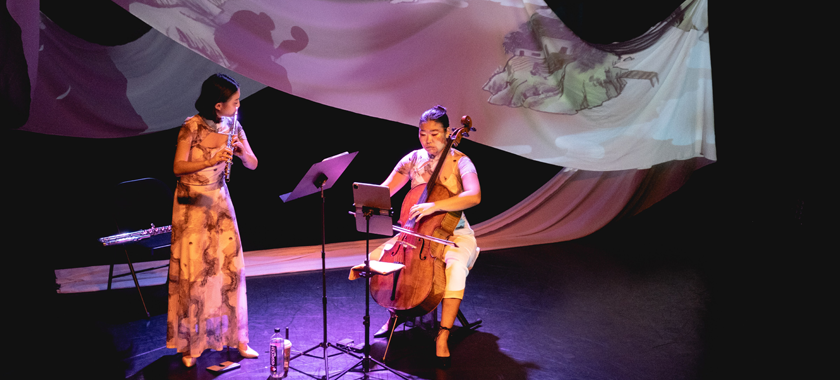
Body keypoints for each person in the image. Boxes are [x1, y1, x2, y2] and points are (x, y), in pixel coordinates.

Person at [353, 105, 481, 369]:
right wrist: (365, 200)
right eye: (423, 134)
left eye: (435, 133)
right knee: (374, 260)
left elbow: (474, 195)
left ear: (448, 133)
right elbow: (385, 190)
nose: (428, 140)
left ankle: (443, 333)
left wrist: (435, 206)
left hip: (454, 234)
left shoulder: (461, 161)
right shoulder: (412, 160)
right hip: (413, 234)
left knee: (455, 269)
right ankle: (395, 313)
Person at [167, 73, 259, 368]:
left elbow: (254, 164)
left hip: (219, 200)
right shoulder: (190, 126)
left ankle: (238, 339)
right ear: (217, 105)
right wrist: (211, 158)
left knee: (229, 269)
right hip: (192, 203)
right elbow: (178, 167)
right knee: (196, 273)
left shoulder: (233, 125)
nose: (238, 105)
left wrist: (243, 153)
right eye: (234, 101)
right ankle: (192, 345)